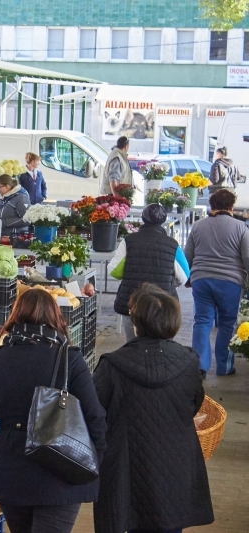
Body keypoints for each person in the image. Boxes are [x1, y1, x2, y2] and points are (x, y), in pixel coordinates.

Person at [0, 289, 107, 533]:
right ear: (55, 317)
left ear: (15, 316)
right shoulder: (69, 359)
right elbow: (95, 417)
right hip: (62, 475)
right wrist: (92, 459)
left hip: (11, 473)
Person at [93, 284, 214, 533]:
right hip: (174, 464)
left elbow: (95, 413)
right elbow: (194, 404)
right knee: (170, 524)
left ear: (136, 323)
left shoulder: (112, 365)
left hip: (126, 467)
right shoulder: (189, 361)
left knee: (128, 520)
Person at [185, 188, 249, 376]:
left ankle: (200, 367)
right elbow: (247, 257)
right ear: (231, 206)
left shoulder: (198, 226)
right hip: (230, 282)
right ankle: (224, 367)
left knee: (202, 321)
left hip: (201, 280)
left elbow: (188, 255)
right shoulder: (241, 228)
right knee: (227, 324)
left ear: (211, 205)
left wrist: (188, 279)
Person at [108, 203, 190, 341]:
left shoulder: (129, 241)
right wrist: (169, 282)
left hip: (132, 303)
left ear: (143, 218)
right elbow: (184, 276)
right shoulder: (172, 244)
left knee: (133, 346)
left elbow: (114, 271)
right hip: (162, 306)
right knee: (162, 346)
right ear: (163, 220)